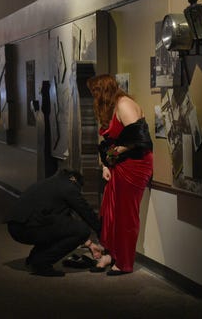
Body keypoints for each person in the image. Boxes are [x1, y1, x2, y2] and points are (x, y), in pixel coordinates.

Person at [86, 74, 153, 276]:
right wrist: (106, 163)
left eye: (95, 92)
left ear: (103, 91)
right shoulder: (112, 107)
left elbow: (138, 139)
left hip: (135, 164)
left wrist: (112, 155)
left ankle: (124, 262)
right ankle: (111, 253)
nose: (93, 96)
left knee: (125, 214)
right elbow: (109, 141)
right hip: (120, 164)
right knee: (110, 210)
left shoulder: (124, 105)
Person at [5, 168, 103, 277]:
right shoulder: (69, 187)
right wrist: (102, 232)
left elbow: (65, 223)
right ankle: (42, 263)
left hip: (18, 226)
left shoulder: (52, 183)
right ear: (74, 179)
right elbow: (86, 211)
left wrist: (89, 244)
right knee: (83, 230)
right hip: (27, 228)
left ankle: (34, 259)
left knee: (61, 227)